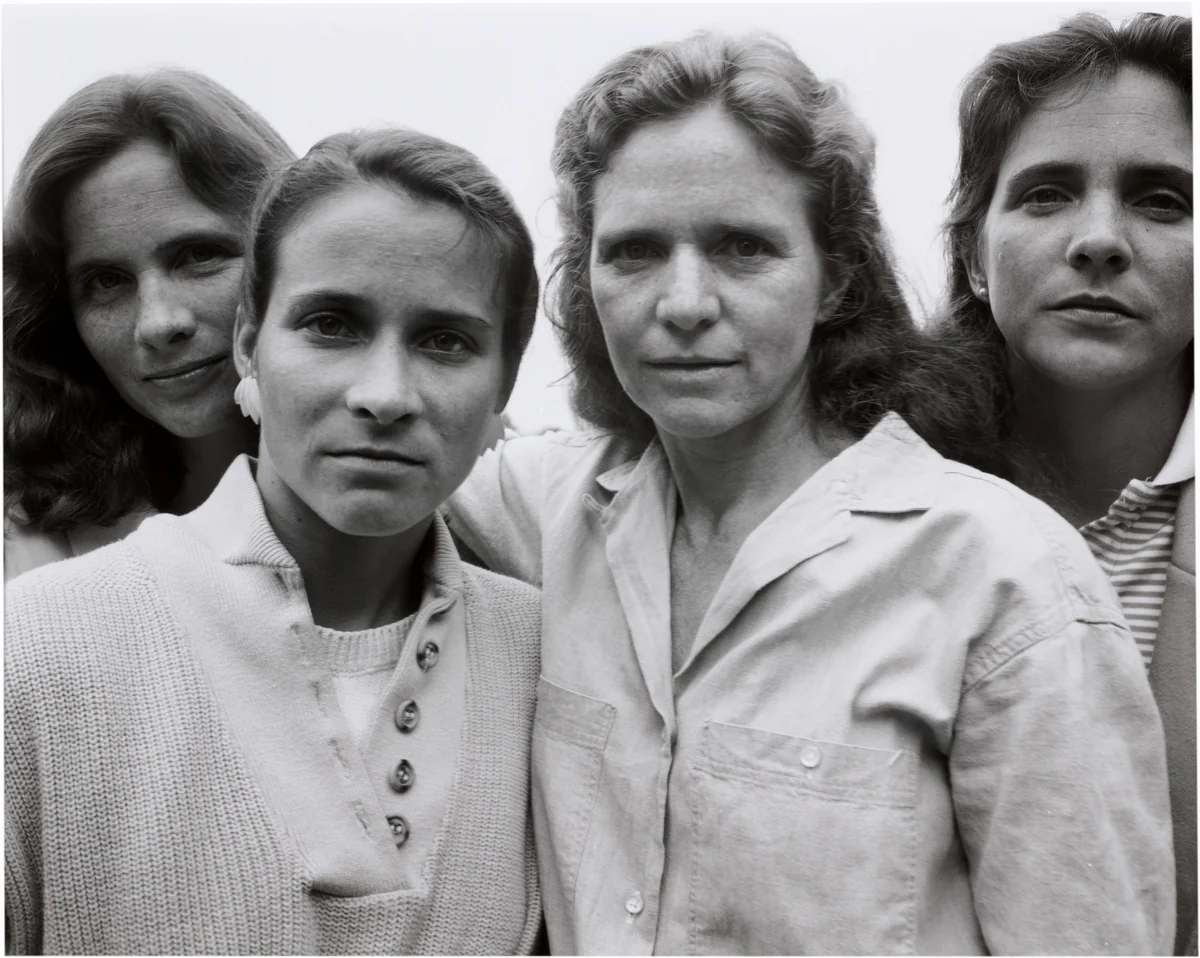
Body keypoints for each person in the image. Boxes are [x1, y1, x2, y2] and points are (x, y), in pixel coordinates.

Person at [444, 30, 1175, 954]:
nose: (683, 302)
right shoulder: (548, 508)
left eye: (743, 248)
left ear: (834, 276)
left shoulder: (1007, 579)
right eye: (633, 252)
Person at [5, 128, 542, 954]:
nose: (385, 394)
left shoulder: (552, 657)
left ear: (504, 379)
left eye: (446, 341)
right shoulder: (34, 648)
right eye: (331, 324)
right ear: (250, 343)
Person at [939, 13, 1194, 953]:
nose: (1100, 240)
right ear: (972, 252)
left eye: (1162, 200)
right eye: (1046, 194)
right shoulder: (861, 497)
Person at [3, 69, 294, 580]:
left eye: (199, 255)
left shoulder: (453, 511)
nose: (159, 323)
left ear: (288, 251)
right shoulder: (22, 551)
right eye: (106, 281)